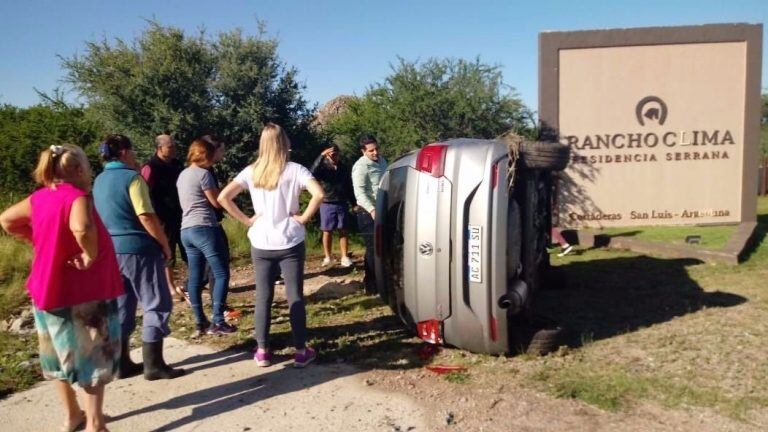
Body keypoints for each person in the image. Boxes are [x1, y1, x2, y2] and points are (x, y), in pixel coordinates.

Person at [0, 144, 123, 432]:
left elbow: (6, 219)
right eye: (87, 167)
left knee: (57, 354)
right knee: (92, 357)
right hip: (83, 291)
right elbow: (82, 228)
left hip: (46, 289)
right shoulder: (78, 197)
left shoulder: (39, 197)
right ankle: (95, 424)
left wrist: (41, 239)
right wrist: (90, 254)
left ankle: (71, 415)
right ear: (79, 169)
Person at [218, 123, 324, 368]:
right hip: (290, 239)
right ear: (284, 142)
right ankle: (300, 351)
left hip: (262, 240)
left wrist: (247, 220)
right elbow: (318, 194)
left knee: (263, 296)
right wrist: (304, 218)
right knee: (294, 295)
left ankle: (263, 351)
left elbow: (223, 197)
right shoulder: (296, 170)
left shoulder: (252, 171)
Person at [93, 134, 184, 381]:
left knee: (123, 304)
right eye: (132, 151)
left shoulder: (99, 180)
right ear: (123, 152)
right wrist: (164, 244)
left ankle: (121, 363)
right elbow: (145, 215)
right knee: (156, 302)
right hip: (139, 248)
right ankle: (154, 365)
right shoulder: (133, 178)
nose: (134, 155)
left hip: (111, 250)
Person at [177, 138, 235, 337]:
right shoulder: (204, 174)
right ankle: (218, 320)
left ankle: (200, 322)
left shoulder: (182, 175)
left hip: (186, 230)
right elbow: (216, 202)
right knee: (221, 273)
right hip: (204, 227)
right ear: (206, 155)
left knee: (195, 276)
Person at [140, 134, 187, 303]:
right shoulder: (150, 167)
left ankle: (193, 284)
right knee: (168, 252)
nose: (174, 149)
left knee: (187, 249)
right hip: (162, 217)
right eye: (170, 146)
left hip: (181, 213)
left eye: (174, 146)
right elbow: (143, 192)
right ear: (159, 148)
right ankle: (169, 286)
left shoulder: (177, 165)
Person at [351, 135, 387, 294]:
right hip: (368, 213)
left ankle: (380, 281)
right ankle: (372, 284)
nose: (375, 152)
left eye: (376, 148)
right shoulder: (360, 166)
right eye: (371, 150)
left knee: (381, 248)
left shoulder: (382, 161)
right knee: (373, 249)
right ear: (363, 151)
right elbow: (359, 192)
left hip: (382, 207)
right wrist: (372, 210)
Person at [310, 144, 354, 267]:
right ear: (327, 154)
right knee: (327, 231)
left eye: (336, 153)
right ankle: (328, 257)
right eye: (331, 154)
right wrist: (321, 156)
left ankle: (345, 257)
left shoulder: (343, 167)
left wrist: (353, 203)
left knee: (343, 230)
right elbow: (311, 173)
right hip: (327, 202)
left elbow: (349, 186)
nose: (334, 156)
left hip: (342, 202)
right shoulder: (322, 167)